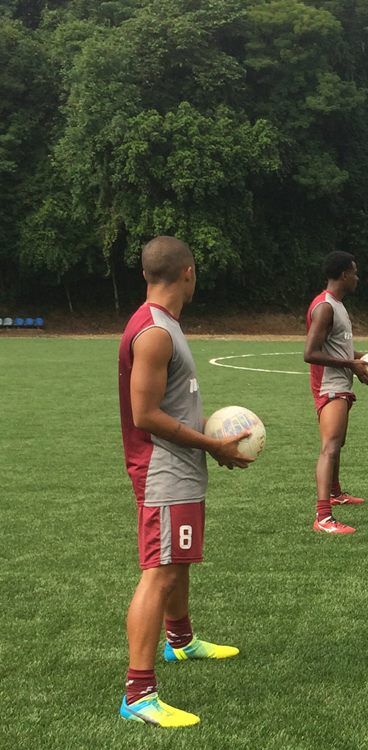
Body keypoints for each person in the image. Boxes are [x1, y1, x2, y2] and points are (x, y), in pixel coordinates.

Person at [117, 236, 252, 727]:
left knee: (179, 559)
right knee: (161, 570)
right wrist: (212, 445)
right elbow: (145, 414)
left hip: (180, 465)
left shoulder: (167, 324)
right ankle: (138, 693)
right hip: (163, 470)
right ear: (189, 273)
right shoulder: (154, 331)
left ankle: (180, 640)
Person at [304, 251, 368, 535]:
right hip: (329, 386)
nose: (357, 277)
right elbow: (310, 353)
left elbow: (339, 349)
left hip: (341, 382)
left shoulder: (338, 305)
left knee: (338, 443)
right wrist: (351, 364)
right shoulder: (325, 307)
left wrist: (363, 360)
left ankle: (335, 493)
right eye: (355, 272)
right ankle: (323, 517)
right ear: (344, 274)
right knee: (330, 446)